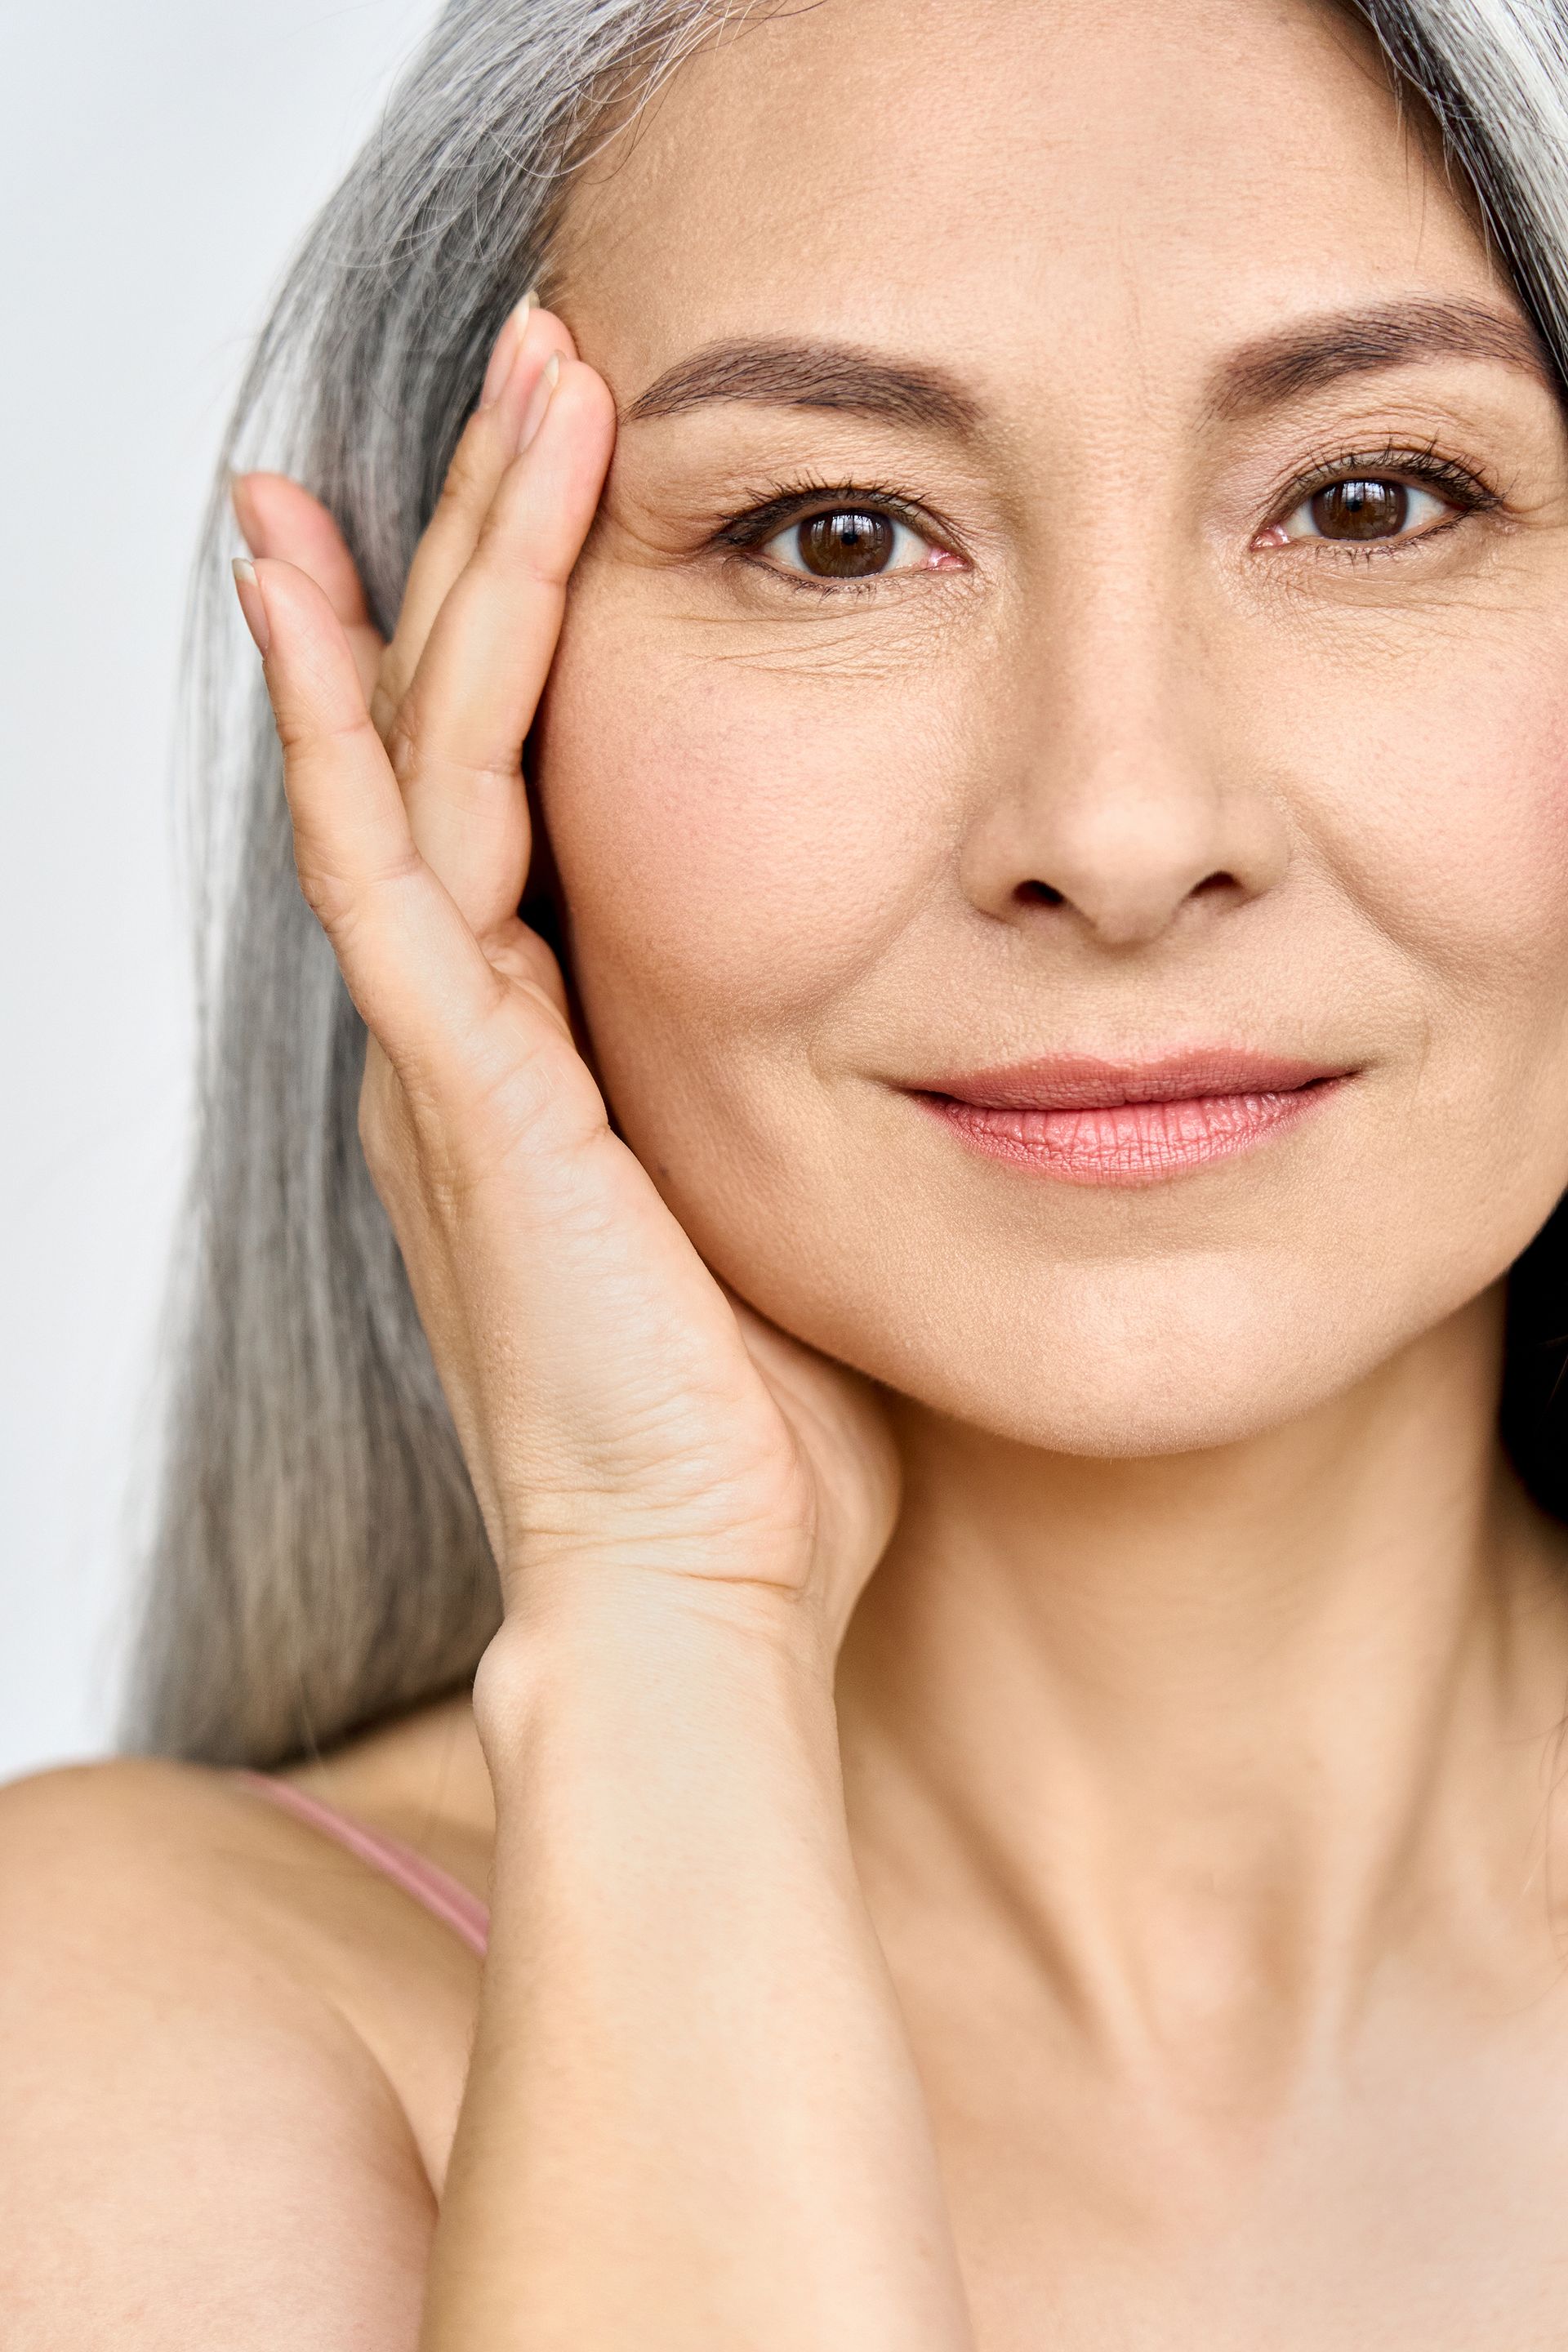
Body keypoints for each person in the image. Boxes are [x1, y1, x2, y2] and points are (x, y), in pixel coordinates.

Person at [7, 0, 1568, 2339]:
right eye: (836, 536)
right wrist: (667, 1624)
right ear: (485, 713)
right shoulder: (119, 2055)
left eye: (1376, 496)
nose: (1121, 833)